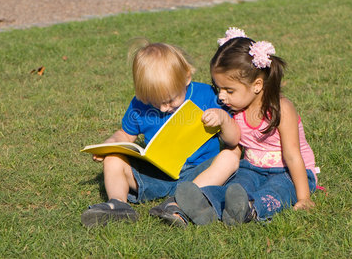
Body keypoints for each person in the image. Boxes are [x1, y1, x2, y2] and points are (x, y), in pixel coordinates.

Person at [80, 39, 240, 228]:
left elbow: (234, 139)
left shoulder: (207, 95)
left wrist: (222, 118)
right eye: (155, 101)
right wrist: (109, 145)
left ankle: (178, 203)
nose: (164, 108)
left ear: (186, 77)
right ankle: (118, 204)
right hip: (157, 173)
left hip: (199, 172)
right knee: (113, 159)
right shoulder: (140, 105)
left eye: (170, 100)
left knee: (231, 156)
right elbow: (125, 134)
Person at [173, 27, 319, 225]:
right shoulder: (235, 109)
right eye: (219, 88)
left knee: (276, 191)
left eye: (229, 90)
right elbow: (233, 144)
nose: (221, 96)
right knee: (237, 186)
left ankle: (250, 208)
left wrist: (304, 198)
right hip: (251, 168)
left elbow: (293, 155)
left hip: (289, 173)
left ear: (257, 85)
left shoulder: (281, 109)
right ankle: (205, 202)